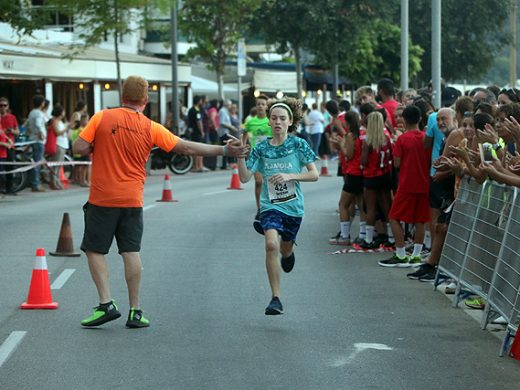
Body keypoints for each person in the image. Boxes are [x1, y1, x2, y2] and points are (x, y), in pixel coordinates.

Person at [73, 75, 249, 328]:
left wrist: (96, 144)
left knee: (95, 249)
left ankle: (106, 304)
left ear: (122, 96)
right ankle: (136, 310)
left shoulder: (101, 117)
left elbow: (79, 147)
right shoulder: (151, 127)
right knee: (130, 251)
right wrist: (224, 151)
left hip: (102, 198)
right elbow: (186, 148)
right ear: (145, 100)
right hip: (133, 200)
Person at [236, 98, 318, 315]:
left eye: (282, 118)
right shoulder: (261, 148)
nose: (278, 122)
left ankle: (289, 253)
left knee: (284, 247)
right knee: (271, 244)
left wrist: (290, 175)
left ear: (290, 121)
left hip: (293, 207)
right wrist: (240, 158)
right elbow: (244, 178)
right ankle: (276, 298)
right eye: (274, 118)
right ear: (269, 123)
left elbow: (314, 174)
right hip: (270, 205)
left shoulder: (298, 144)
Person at [378, 105, 432, 267]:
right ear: (420, 119)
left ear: (404, 119)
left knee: (394, 217)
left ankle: (400, 253)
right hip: (424, 184)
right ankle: (416, 254)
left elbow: (396, 163)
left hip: (407, 184)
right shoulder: (425, 137)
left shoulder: (402, 139)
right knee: (420, 220)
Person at [242, 94, 272, 218]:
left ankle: (272, 206)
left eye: (263, 104)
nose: (260, 106)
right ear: (256, 106)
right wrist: (242, 147)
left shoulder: (271, 121)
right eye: (258, 104)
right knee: (259, 182)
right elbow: (243, 134)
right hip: (257, 156)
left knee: (270, 182)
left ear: (266, 106)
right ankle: (260, 209)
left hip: (270, 157)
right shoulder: (251, 122)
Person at [26, 94, 47, 192]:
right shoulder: (38, 113)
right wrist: (41, 133)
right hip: (38, 140)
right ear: (41, 103)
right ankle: (36, 184)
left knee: (35, 161)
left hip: (32, 139)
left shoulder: (31, 112)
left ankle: (34, 183)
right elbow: (39, 124)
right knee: (37, 162)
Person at [46, 104, 69, 190]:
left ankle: (57, 181)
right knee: (56, 164)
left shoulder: (60, 121)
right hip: (58, 144)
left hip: (63, 144)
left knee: (59, 165)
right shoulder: (54, 121)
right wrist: (66, 129)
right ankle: (54, 181)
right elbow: (57, 132)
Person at [0, 97, 20, 195]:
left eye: (5, 105)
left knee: (10, 168)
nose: (3, 107)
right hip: (1, 146)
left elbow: (17, 132)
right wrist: (4, 131)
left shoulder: (12, 117)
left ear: (8, 106)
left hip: (9, 146)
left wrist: (11, 131)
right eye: (1, 105)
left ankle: (10, 188)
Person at [187, 95, 207, 172]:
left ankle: (196, 166)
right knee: (199, 149)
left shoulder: (191, 109)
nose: (202, 102)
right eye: (201, 101)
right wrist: (202, 131)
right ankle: (198, 166)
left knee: (194, 149)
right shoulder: (196, 110)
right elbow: (199, 122)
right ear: (199, 101)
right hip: (197, 132)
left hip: (192, 132)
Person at [218, 99, 239, 170]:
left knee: (227, 147)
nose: (230, 106)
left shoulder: (225, 111)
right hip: (224, 132)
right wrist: (231, 127)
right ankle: (225, 164)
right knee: (226, 147)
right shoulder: (222, 111)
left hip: (227, 132)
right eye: (230, 105)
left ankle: (226, 164)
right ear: (226, 104)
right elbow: (222, 122)